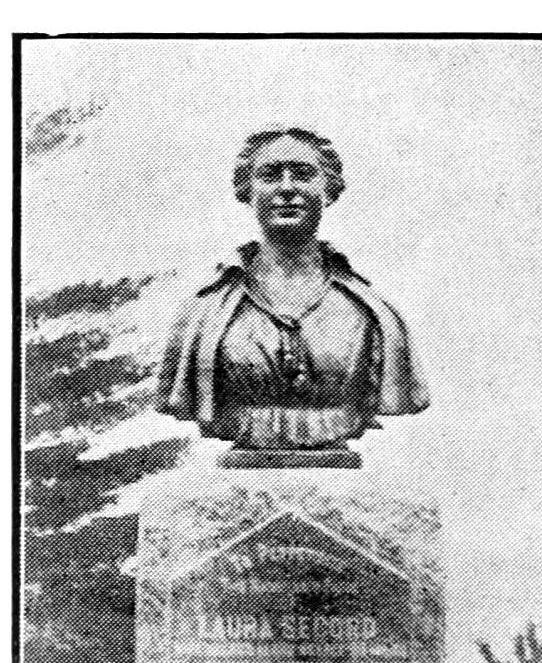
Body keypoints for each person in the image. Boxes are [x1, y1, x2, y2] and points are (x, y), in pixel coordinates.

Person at [156, 127, 429, 450]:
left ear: (328, 189)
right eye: (270, 175)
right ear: (248, 191)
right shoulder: (202, 312)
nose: (286, 188)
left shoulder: (373, 314)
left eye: (302, 174)